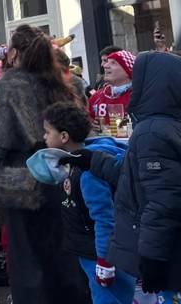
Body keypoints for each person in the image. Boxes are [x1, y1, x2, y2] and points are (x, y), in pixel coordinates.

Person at [79, 52, 181, 301]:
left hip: (169, 254)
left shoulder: (152, 132)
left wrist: (152, 257)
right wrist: (93, 161)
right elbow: (135, 174)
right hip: (178, 247)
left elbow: (163, 201)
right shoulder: (170, 124)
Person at [0, 25, 88, 304]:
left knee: (28, 260)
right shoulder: (60, 81)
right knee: (64, 254)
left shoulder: (9, 84)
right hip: (62, 172)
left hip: (23, 176)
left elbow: (1, 139)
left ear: (14, 52)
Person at [41, 102, 134, 304]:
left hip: (102, 254)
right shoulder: (74, 162)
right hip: (92, 250)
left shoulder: (88, 172)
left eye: (48, 132)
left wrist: (104, 261)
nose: (44, 137)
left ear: (64, 137)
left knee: (109, 299)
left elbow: (104, 218)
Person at [88, 50, 134, 131]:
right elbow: (86, 121)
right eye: (107, 62)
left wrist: (109, 131)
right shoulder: (97, 96)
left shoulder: (139, 96)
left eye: (113, 63)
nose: (105, 66)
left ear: (127, 71)